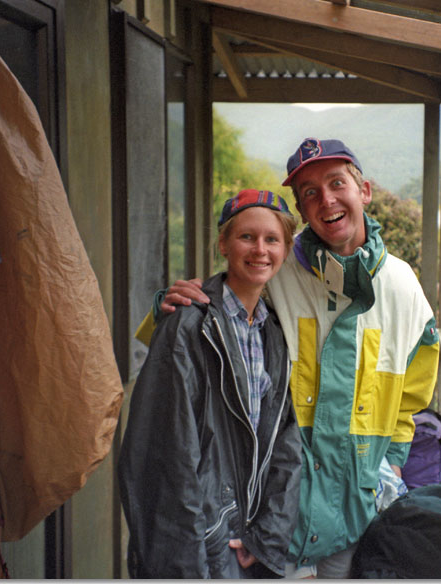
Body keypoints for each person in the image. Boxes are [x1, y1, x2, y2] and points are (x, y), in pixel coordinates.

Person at [160, 138, 440, 578]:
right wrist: (169, 303)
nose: (326, 199)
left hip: (356, 519)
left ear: (363, 190)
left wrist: (391, 465)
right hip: (276, 519)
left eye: (336, 183)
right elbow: (218, 311)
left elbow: (413, 395)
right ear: (302, 210)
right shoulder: (280, 269)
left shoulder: (403, 287)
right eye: (309, 192)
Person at [118, 189, 302, 578]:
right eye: (246, 237)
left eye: (272, 239)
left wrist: (267, 537)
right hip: (202, 541)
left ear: (285, 249)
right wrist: (184, 564)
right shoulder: (189, 326)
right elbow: (165, 457)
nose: (260, 250)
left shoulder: (275, 332)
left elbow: (286, 441)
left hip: (248, 544)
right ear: (223, 243)